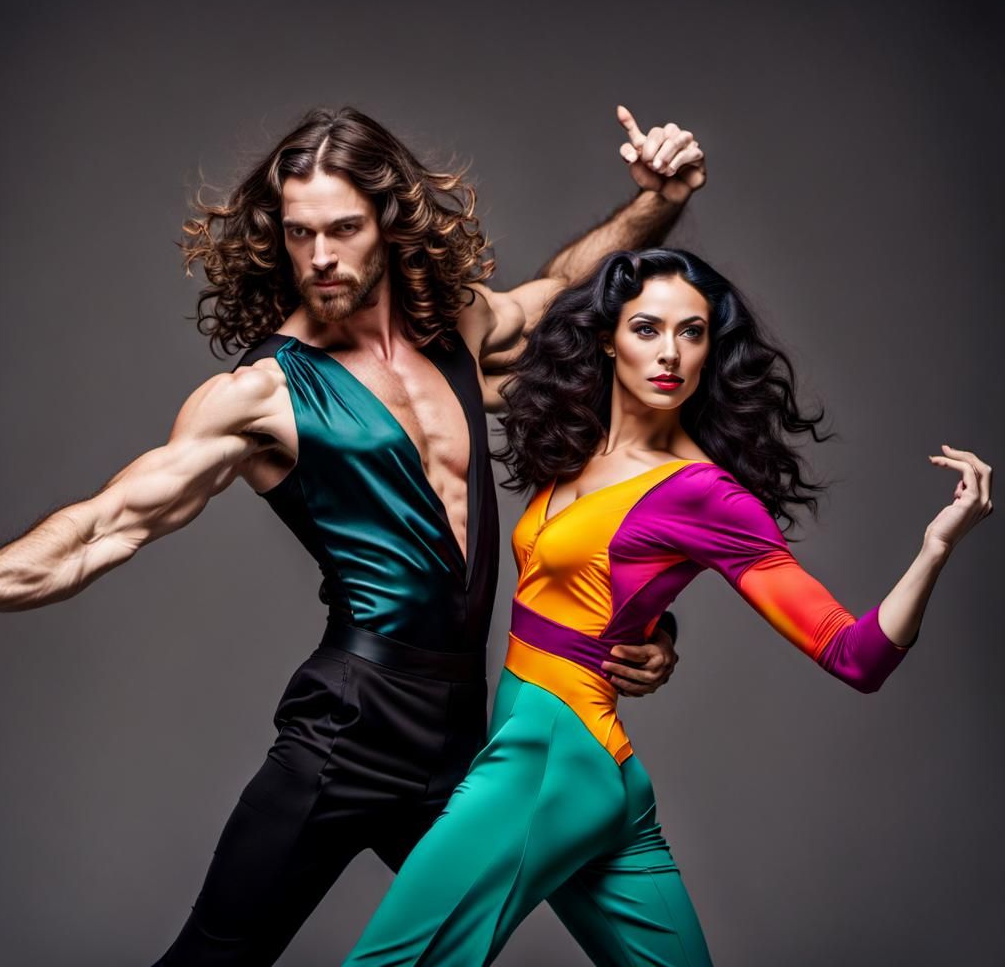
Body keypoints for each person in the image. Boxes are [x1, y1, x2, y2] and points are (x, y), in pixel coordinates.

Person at [0, 107, 707, 964]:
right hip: (347, 735)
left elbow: (564, 295)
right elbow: (99, 528)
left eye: (343, 229)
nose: (320, 257)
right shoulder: (260, 396)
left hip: (471, 734)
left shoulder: (459, 334)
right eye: (299, 234)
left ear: (389, 225)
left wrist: (654, 204)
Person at [340, 248, 994, 967]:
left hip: (548, 762)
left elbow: (856, 655)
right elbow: (599, 585)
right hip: (588, 769)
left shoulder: (704, 493)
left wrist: (935, 547)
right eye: (647, 329)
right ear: (605, 339)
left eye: (693, 333)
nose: (671, 354)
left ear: (713, 349)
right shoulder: (576, 445)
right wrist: (658, 630)